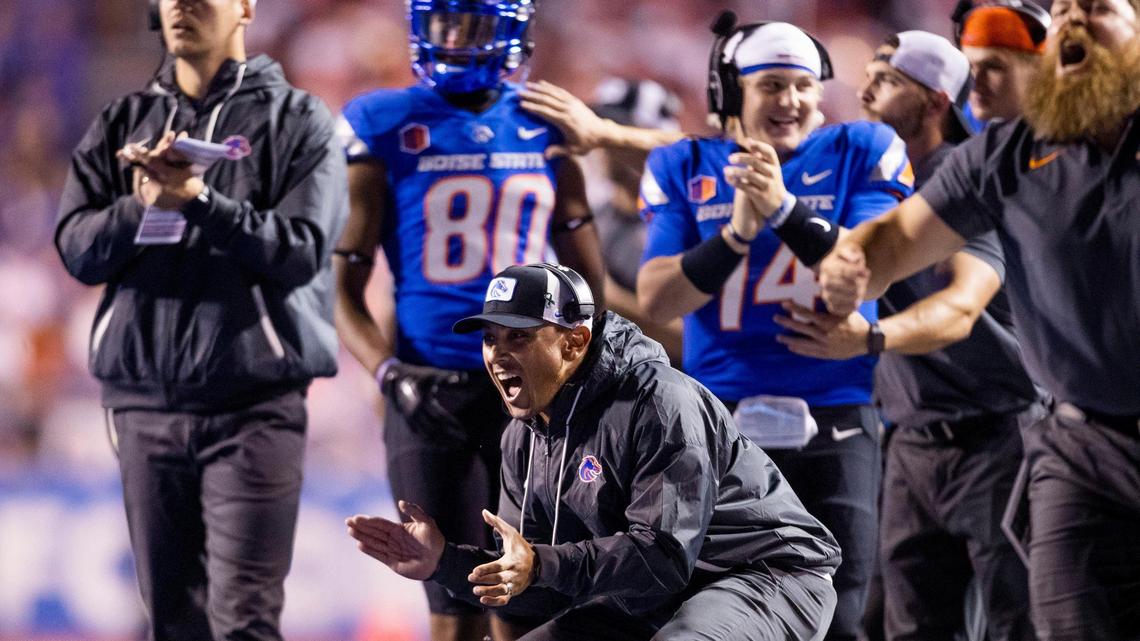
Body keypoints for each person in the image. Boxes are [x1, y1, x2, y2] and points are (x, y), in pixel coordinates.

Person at [817, 0, 1140, 638]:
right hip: (1081, 448)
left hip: (998, 428)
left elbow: (961, 304)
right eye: (1064, 8)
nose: (1074, 17)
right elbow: (894, 240)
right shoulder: (1009, 153)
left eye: (1097, 6)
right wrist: (854, 262)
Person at [53, 0, 348, 639]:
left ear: (246, 6)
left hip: (253, 405)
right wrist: (142, 207)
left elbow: (301, 251)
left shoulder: (297, 120)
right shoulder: (120, 122)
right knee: (171, 621)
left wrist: (201, 202)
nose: (182, 4)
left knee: (244, 619)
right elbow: (76, 248)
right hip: (143, 407)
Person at [346, 263, 841, 641]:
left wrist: (539, 565)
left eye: (519, 336)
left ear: (574, 342)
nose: (497, 354)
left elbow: (663, 558)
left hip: (761, 575)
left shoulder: (659, 402)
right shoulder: (522, 436)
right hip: (653, 593)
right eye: (490, 338)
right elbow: (530, 579)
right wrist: (444, 563)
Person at [634, 15, 914, 641]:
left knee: (839, 617)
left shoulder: (859, 150)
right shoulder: (687, 163)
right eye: (772, 85)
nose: (790, 100)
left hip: (836, 413)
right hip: (717, 423)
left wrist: (782, 209)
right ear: (733, 94)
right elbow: (656, 297)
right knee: (714, 615)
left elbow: (864, 274)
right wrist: (735, 234)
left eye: (802, 85)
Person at [333, 2, 605, 639]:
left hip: (533, 391)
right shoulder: (385, 120)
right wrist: (387, 374)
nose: (453, 39)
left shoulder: (543, 122)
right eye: (443, 23)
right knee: (450, 612)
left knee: (521, 598)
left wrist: (587, 368)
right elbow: (340, 282)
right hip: (429, 391)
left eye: (473, 24)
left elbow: (590, 284)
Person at [777, 31, 1041, 641]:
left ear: (935, 101)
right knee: (909, 628)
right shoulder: (869, 176)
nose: (865, 89)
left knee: (1017, 623)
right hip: (913, 439)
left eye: (889, 79)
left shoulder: (959, 178)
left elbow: (960, 307)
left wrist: (868, 340)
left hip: (996, 436)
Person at [587, 77, 684, 364]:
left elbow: (699, 342)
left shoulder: (685, 223)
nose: (605, 142)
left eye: (621, 133)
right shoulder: (595, 215)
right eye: (602, 130)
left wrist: (605, 299)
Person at [952, 0, 1049, 124]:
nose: (974, 82)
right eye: (969, 67)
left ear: (1039, 69)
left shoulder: (1066, 137)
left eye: (992, 66)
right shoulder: (961, 126)